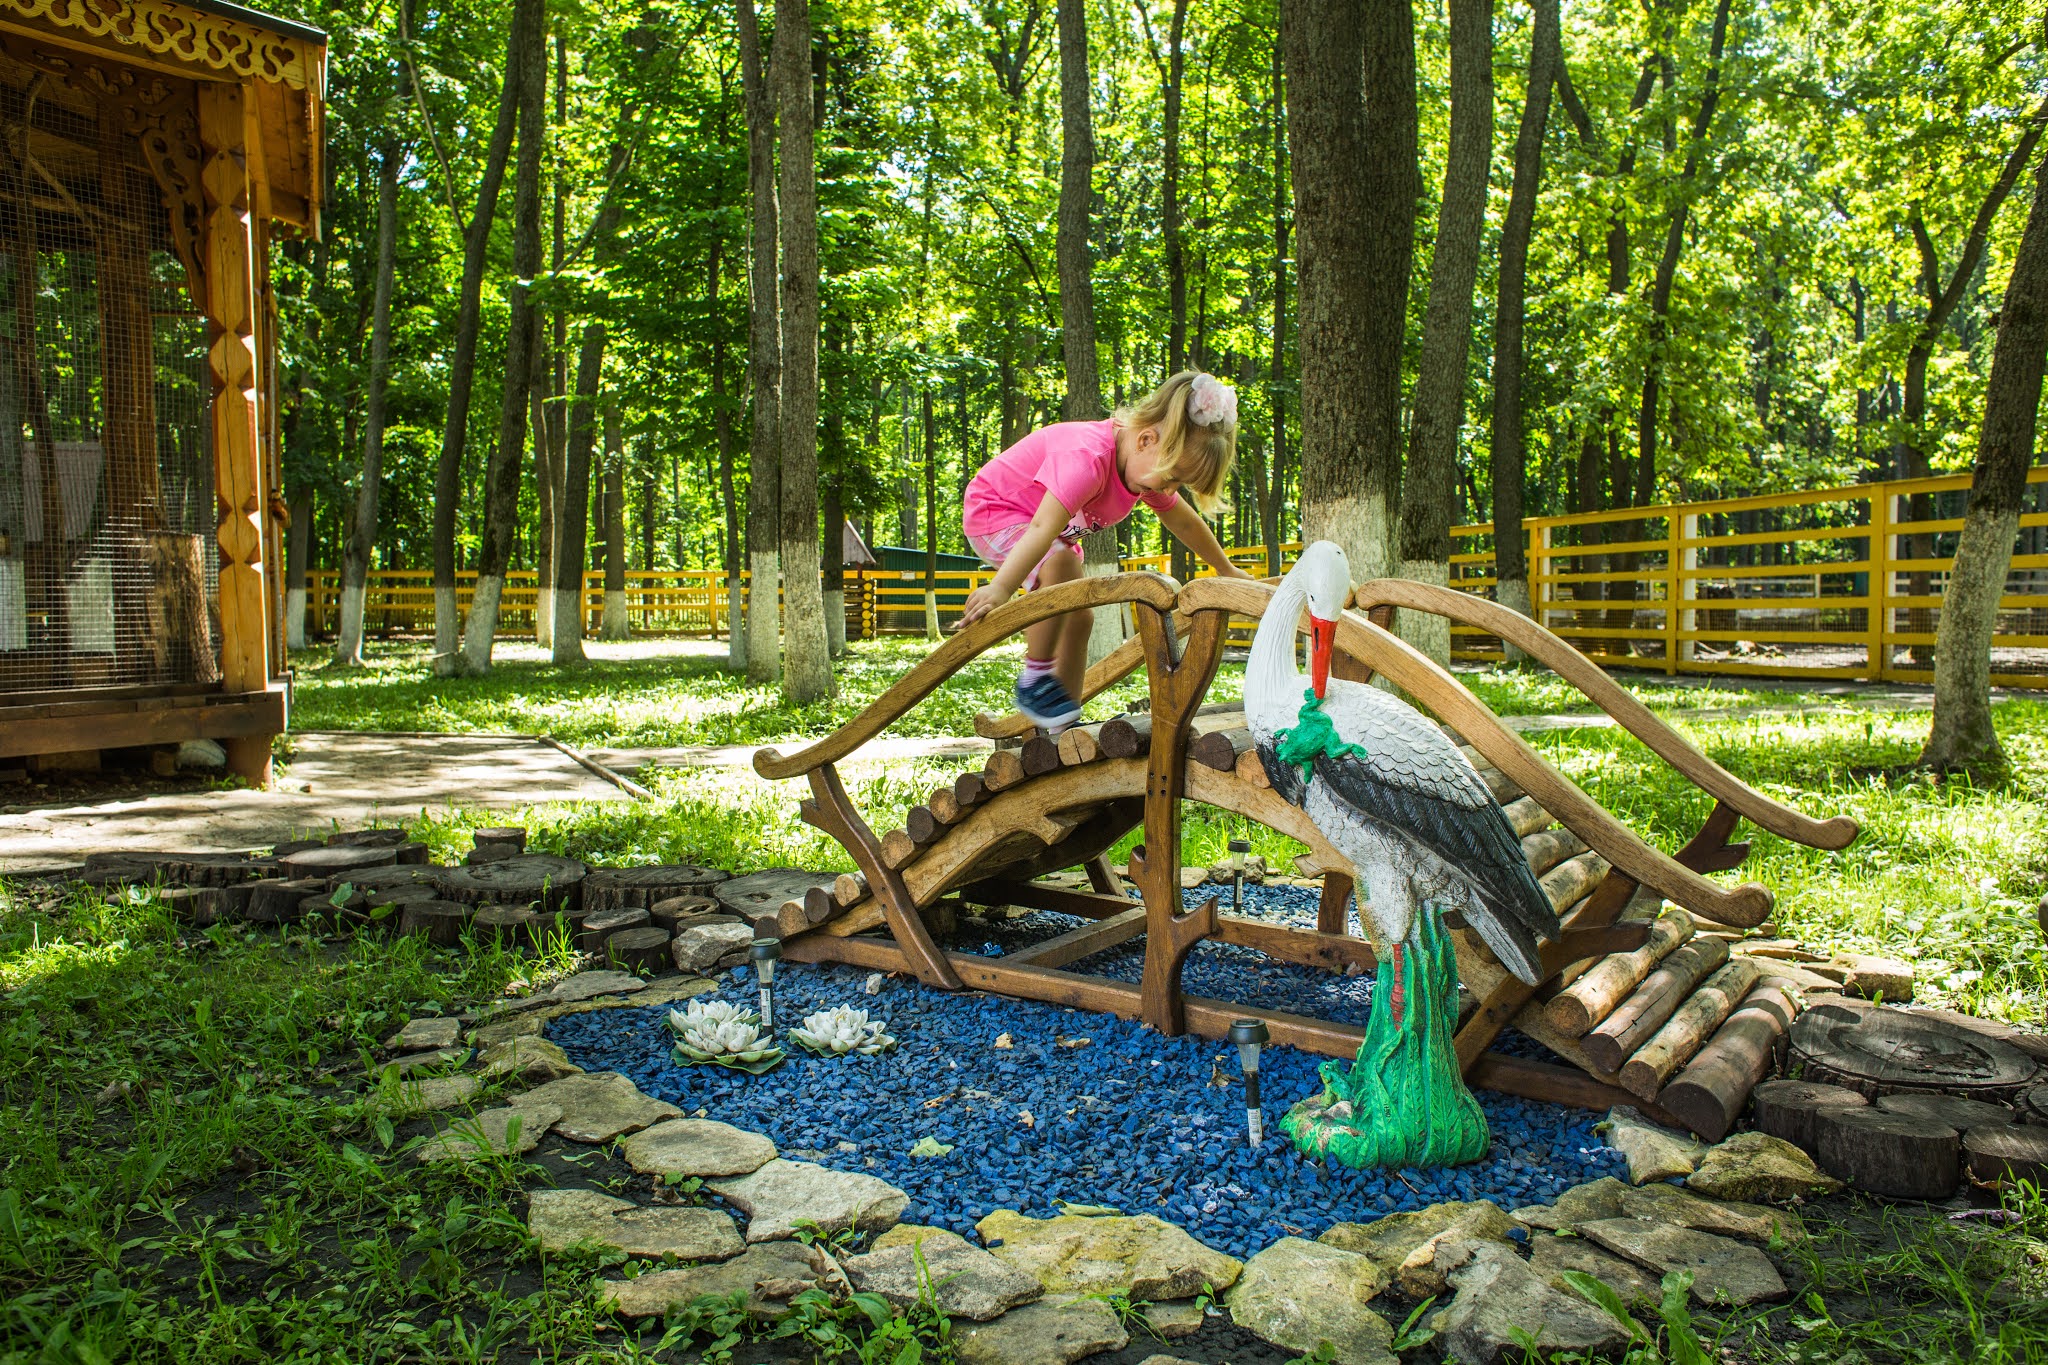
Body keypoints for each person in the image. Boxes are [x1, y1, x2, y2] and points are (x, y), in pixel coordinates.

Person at [958, 370, 1253, 731]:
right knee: (1061, 562)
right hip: (996, 512)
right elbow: (1041, 528)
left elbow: (1184, 521)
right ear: (1146, 439)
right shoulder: (1088, 458)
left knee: (1080, 617)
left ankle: (1062, 721)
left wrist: (1226, 569)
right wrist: (1001, 588)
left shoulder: (1147, 463)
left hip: (1050, 534)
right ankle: (1033, 681)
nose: (1171, 488)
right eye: (1172, 477)